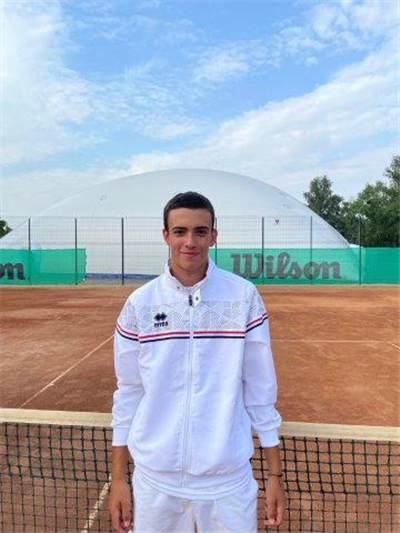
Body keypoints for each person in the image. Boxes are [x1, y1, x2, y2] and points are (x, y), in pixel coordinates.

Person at [109, 191, 286, 533]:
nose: (190, 241)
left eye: (200, 231)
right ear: (166, 236)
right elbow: (128, 391)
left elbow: (260, 388)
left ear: (213, 236)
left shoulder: (244, 297)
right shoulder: (139, 304)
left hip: (228, 484)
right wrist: (119, 478)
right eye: (180, 231)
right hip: (155, 484)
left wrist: (275, 474)